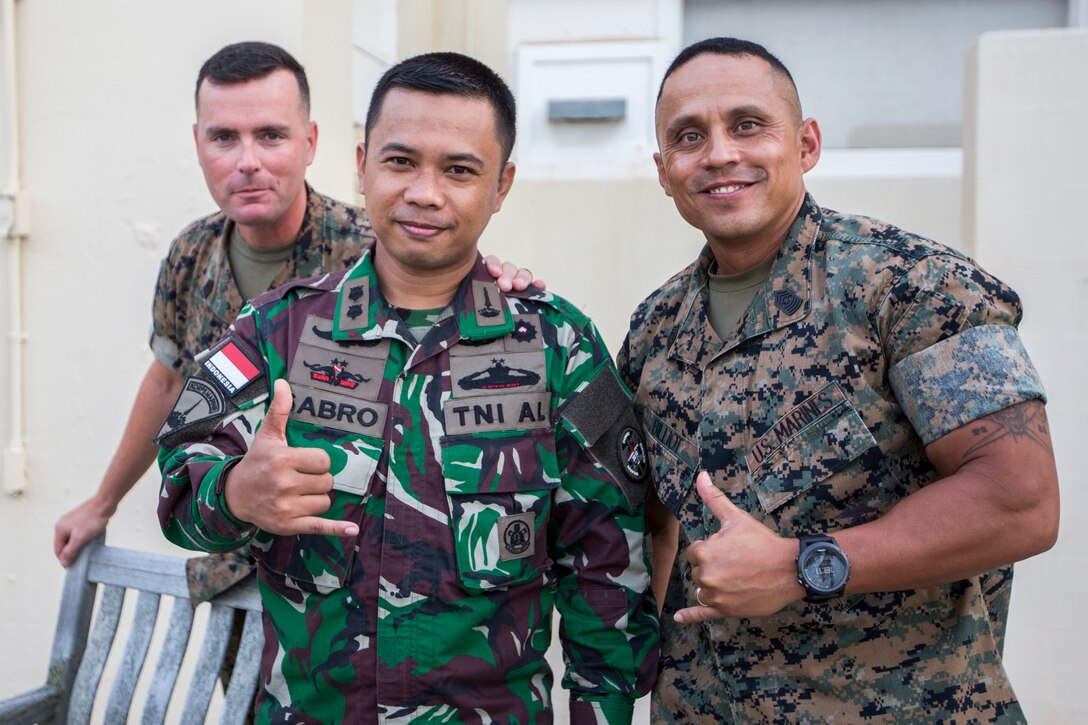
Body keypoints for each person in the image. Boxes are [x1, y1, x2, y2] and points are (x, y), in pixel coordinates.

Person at [156, 51, 659, 723]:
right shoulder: (276, 330)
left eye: (459, 169)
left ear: (502, 185)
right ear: (362, 165)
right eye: (400, 161)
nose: (425, 191)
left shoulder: (558, 346)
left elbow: (610, 575)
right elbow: (179, 479)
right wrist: (236, 492)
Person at [615, 37, 1059, 722]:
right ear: (665, 171)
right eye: (688, 136)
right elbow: (655, 522)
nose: (720, 152)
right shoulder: (654, 330)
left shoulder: (911, 287)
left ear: (806, 144)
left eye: (748, 124)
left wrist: (801, 565)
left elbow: (1020, 501)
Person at [52, 41, 531, 582]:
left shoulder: (377, 249)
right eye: (224, 137)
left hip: (344, 577)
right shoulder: (191, 256)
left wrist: (493, 285)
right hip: (227, 556)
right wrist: (104, 501)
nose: (247, 161)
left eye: (271, 135)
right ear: (198, 143)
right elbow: (169, 382)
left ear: (311, 143)